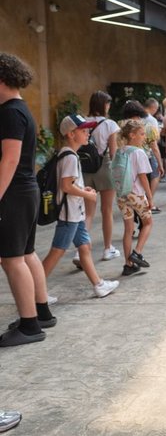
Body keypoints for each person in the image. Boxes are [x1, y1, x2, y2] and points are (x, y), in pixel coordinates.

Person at [0, 53, 55, 347]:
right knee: (27, 253)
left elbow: (9, 160)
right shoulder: (21, 109)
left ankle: (30, 326)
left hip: (14, 193)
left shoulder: (9, 112)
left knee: (11, 259)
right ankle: (41, 311)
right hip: (25, 190)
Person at [40, 114, 119, 299]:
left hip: (75, 213)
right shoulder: (70, 157)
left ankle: (99, 285)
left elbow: (70, 184)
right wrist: (87, 194)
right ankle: (36, 293)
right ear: (70, 134)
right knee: (57, 252)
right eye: (83, 130)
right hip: (70, 215)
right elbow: (66, 186)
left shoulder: (69, 154)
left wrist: (84, 189)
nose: (88, 133)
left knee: (85, 248)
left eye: (87, 130)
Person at [113, 120, 154, 277]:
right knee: (148, 222)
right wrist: (150, 198)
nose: (144, 137)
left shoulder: (120, 151)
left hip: (122, 194)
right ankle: (137, 253)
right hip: (136, 194)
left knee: (128, 229)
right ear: (132, 135)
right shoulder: (138, 152)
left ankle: (128, 264)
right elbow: (143, 177)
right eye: (142, 134)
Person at [84, 91, 121, 261]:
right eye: (107, 103)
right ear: (103, 105)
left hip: (86, 169)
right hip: (104, 167)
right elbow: (113, 153)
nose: (109, 106)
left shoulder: (83, 122)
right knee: (106, 210)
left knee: (87, 213)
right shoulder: (110, 125)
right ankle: (108, 249)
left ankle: (81, 251)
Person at [123, 100, 162, 214]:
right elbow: (154, 146)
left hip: (125, 161)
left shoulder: (121, 126)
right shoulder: (148, 125)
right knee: (147, 179)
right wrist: (160, 163)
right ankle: (147, 202)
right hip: (144, 158)